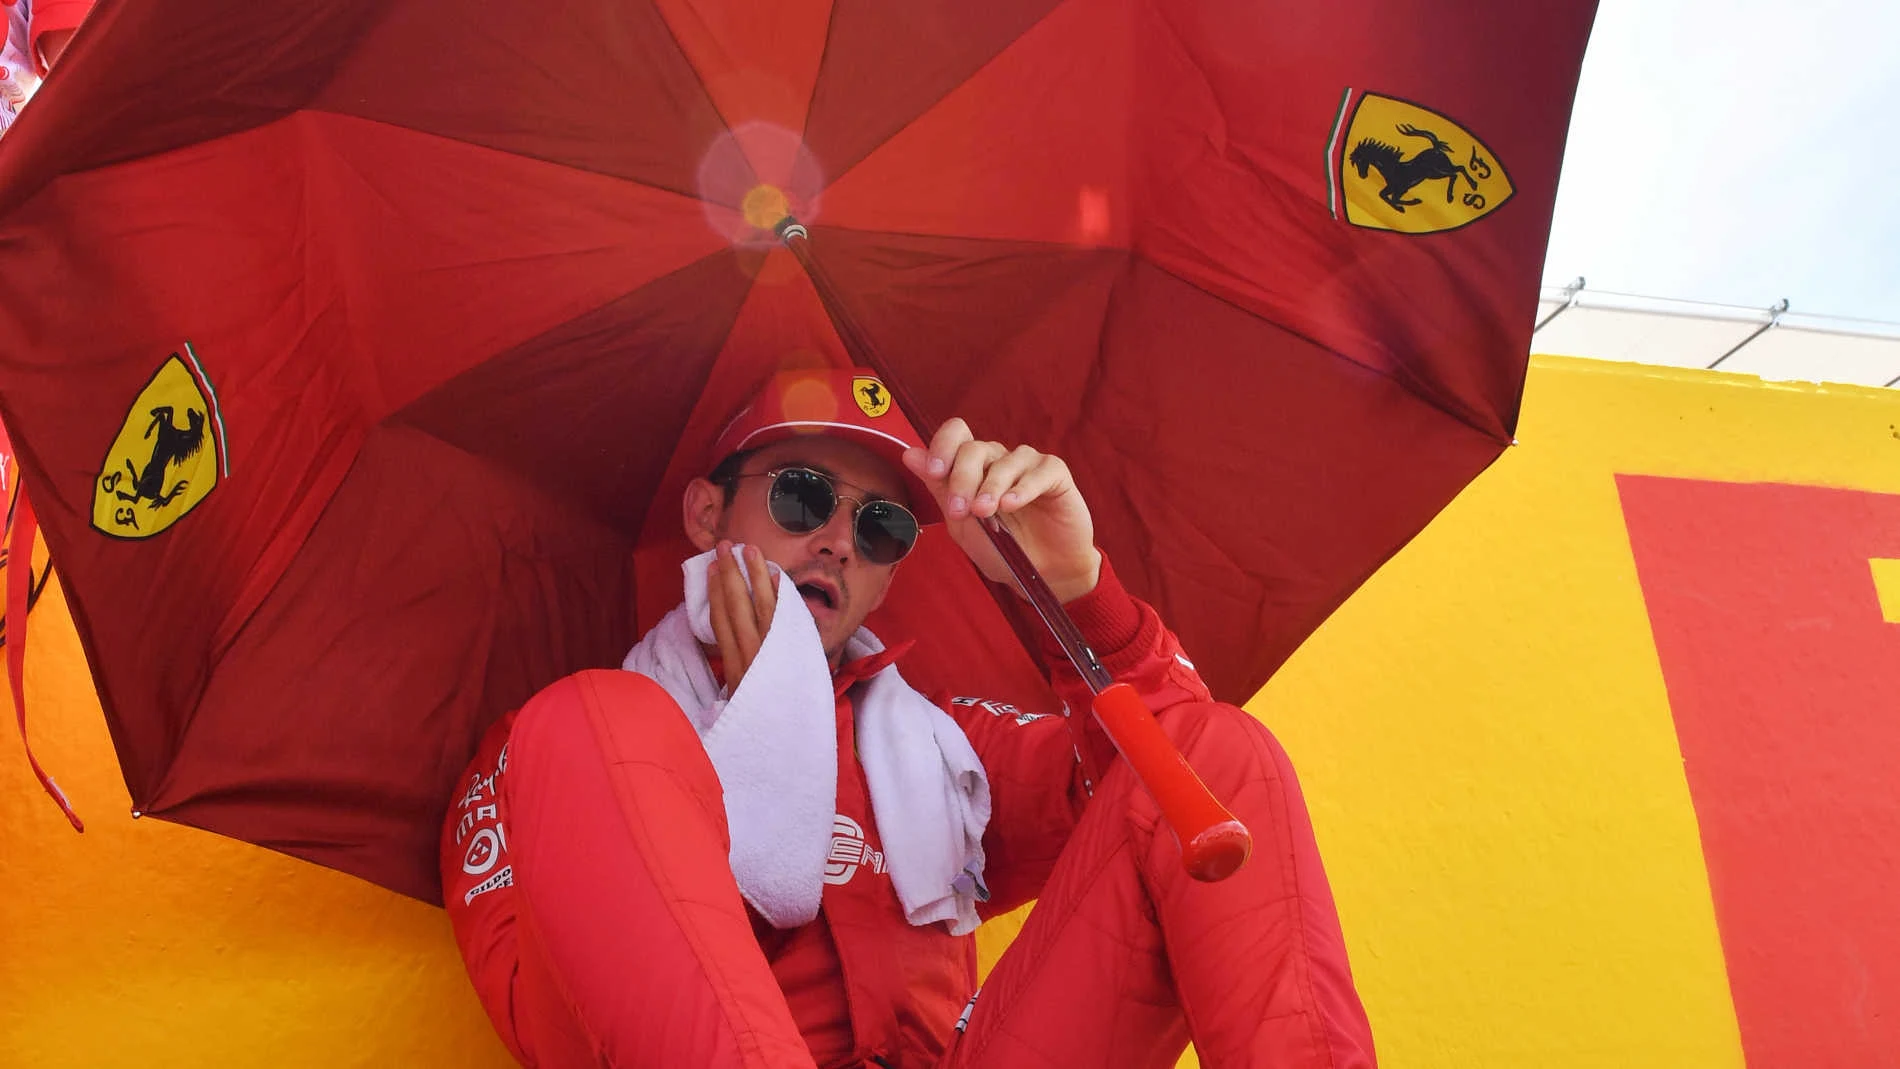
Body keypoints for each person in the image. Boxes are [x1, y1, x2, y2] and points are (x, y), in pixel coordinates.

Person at [441, 368, 1376, 1068]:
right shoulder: (570, 747)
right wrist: (771, 719)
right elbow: (546, 1019)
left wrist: (1074, 588)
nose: (840, 540)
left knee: (1223, 751)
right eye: (802, 495)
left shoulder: (945, 748)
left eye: (881, 526)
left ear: (893, 569)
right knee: (591, 720)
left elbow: (1177, 787)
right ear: (706, 512)